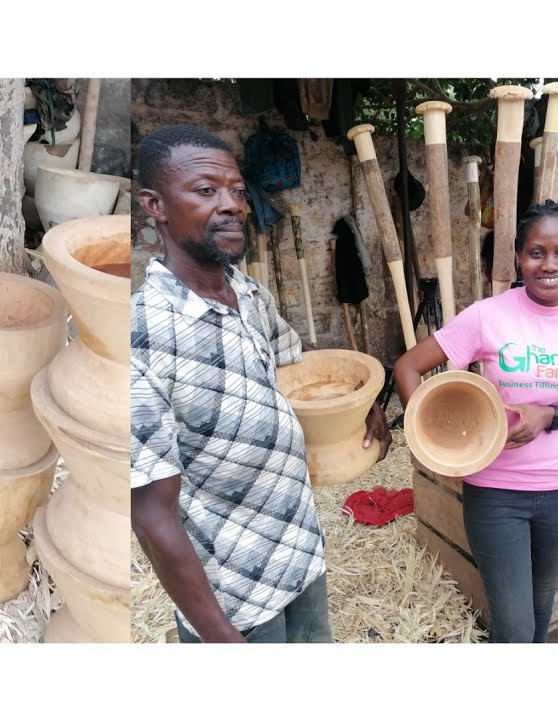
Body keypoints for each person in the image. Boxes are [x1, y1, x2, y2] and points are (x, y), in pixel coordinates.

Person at [129, 124, 392, 644]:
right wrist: (220, 637)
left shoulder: (246, 292)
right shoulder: (143, 336)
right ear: (154, 205)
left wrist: (363, 401)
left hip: (298, 553)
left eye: (237, 191)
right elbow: (151, 515)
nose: (234, 206)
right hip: (234, 594)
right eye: (207, 191)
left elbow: (301, 362)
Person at [394, 200, 558, 643]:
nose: (550, 264)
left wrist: (551, 417)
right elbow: (408, 366)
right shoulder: (489, 315)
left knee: (540, 609)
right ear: (519, 256)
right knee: (514, 625)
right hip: (497, 493)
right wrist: (430, 434)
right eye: (536, 252)